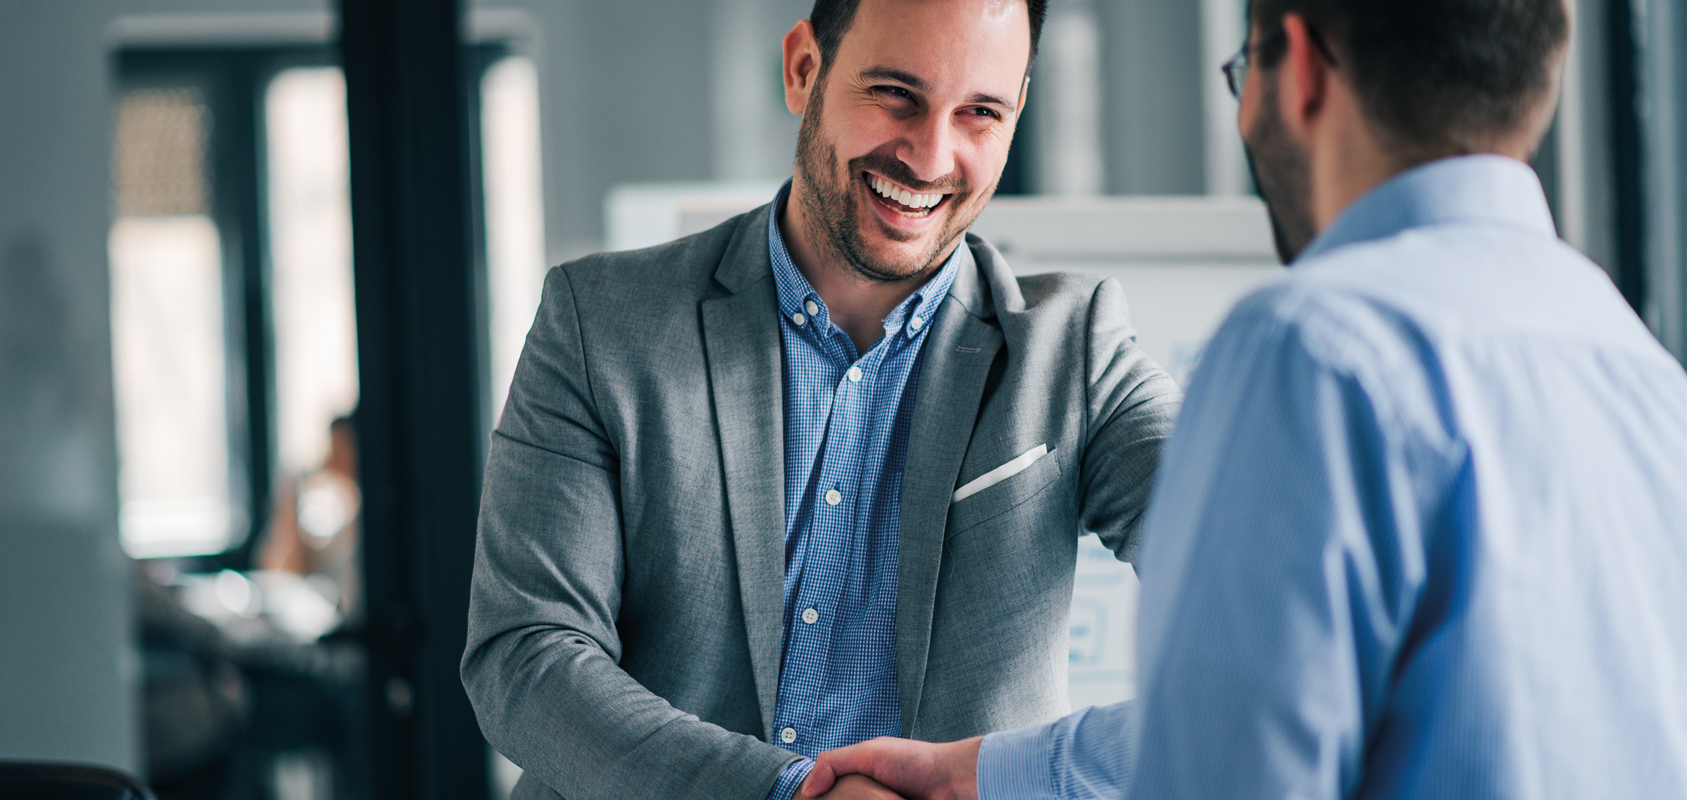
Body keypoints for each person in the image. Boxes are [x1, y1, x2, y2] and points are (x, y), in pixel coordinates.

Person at [798, 0, 1687, 797]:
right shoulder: (1647, 377)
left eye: (1242, 71)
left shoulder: (1314, 347)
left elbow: (1231, 763)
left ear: (1295, 64)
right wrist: (987, 775)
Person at [461, 0, 1183, 798]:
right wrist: (789, 793)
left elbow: (1279, 600)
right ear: (804, 68)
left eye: (980, 112)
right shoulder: (601, 321)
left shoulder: (1073, 353)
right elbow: (526, 655)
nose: (931, 155)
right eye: (895, 95)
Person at [257, 414, 363, 622]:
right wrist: (290, 502)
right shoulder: (328, 508)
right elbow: (279, 571)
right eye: (336, 446)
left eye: (346, 446)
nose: (339, 455)